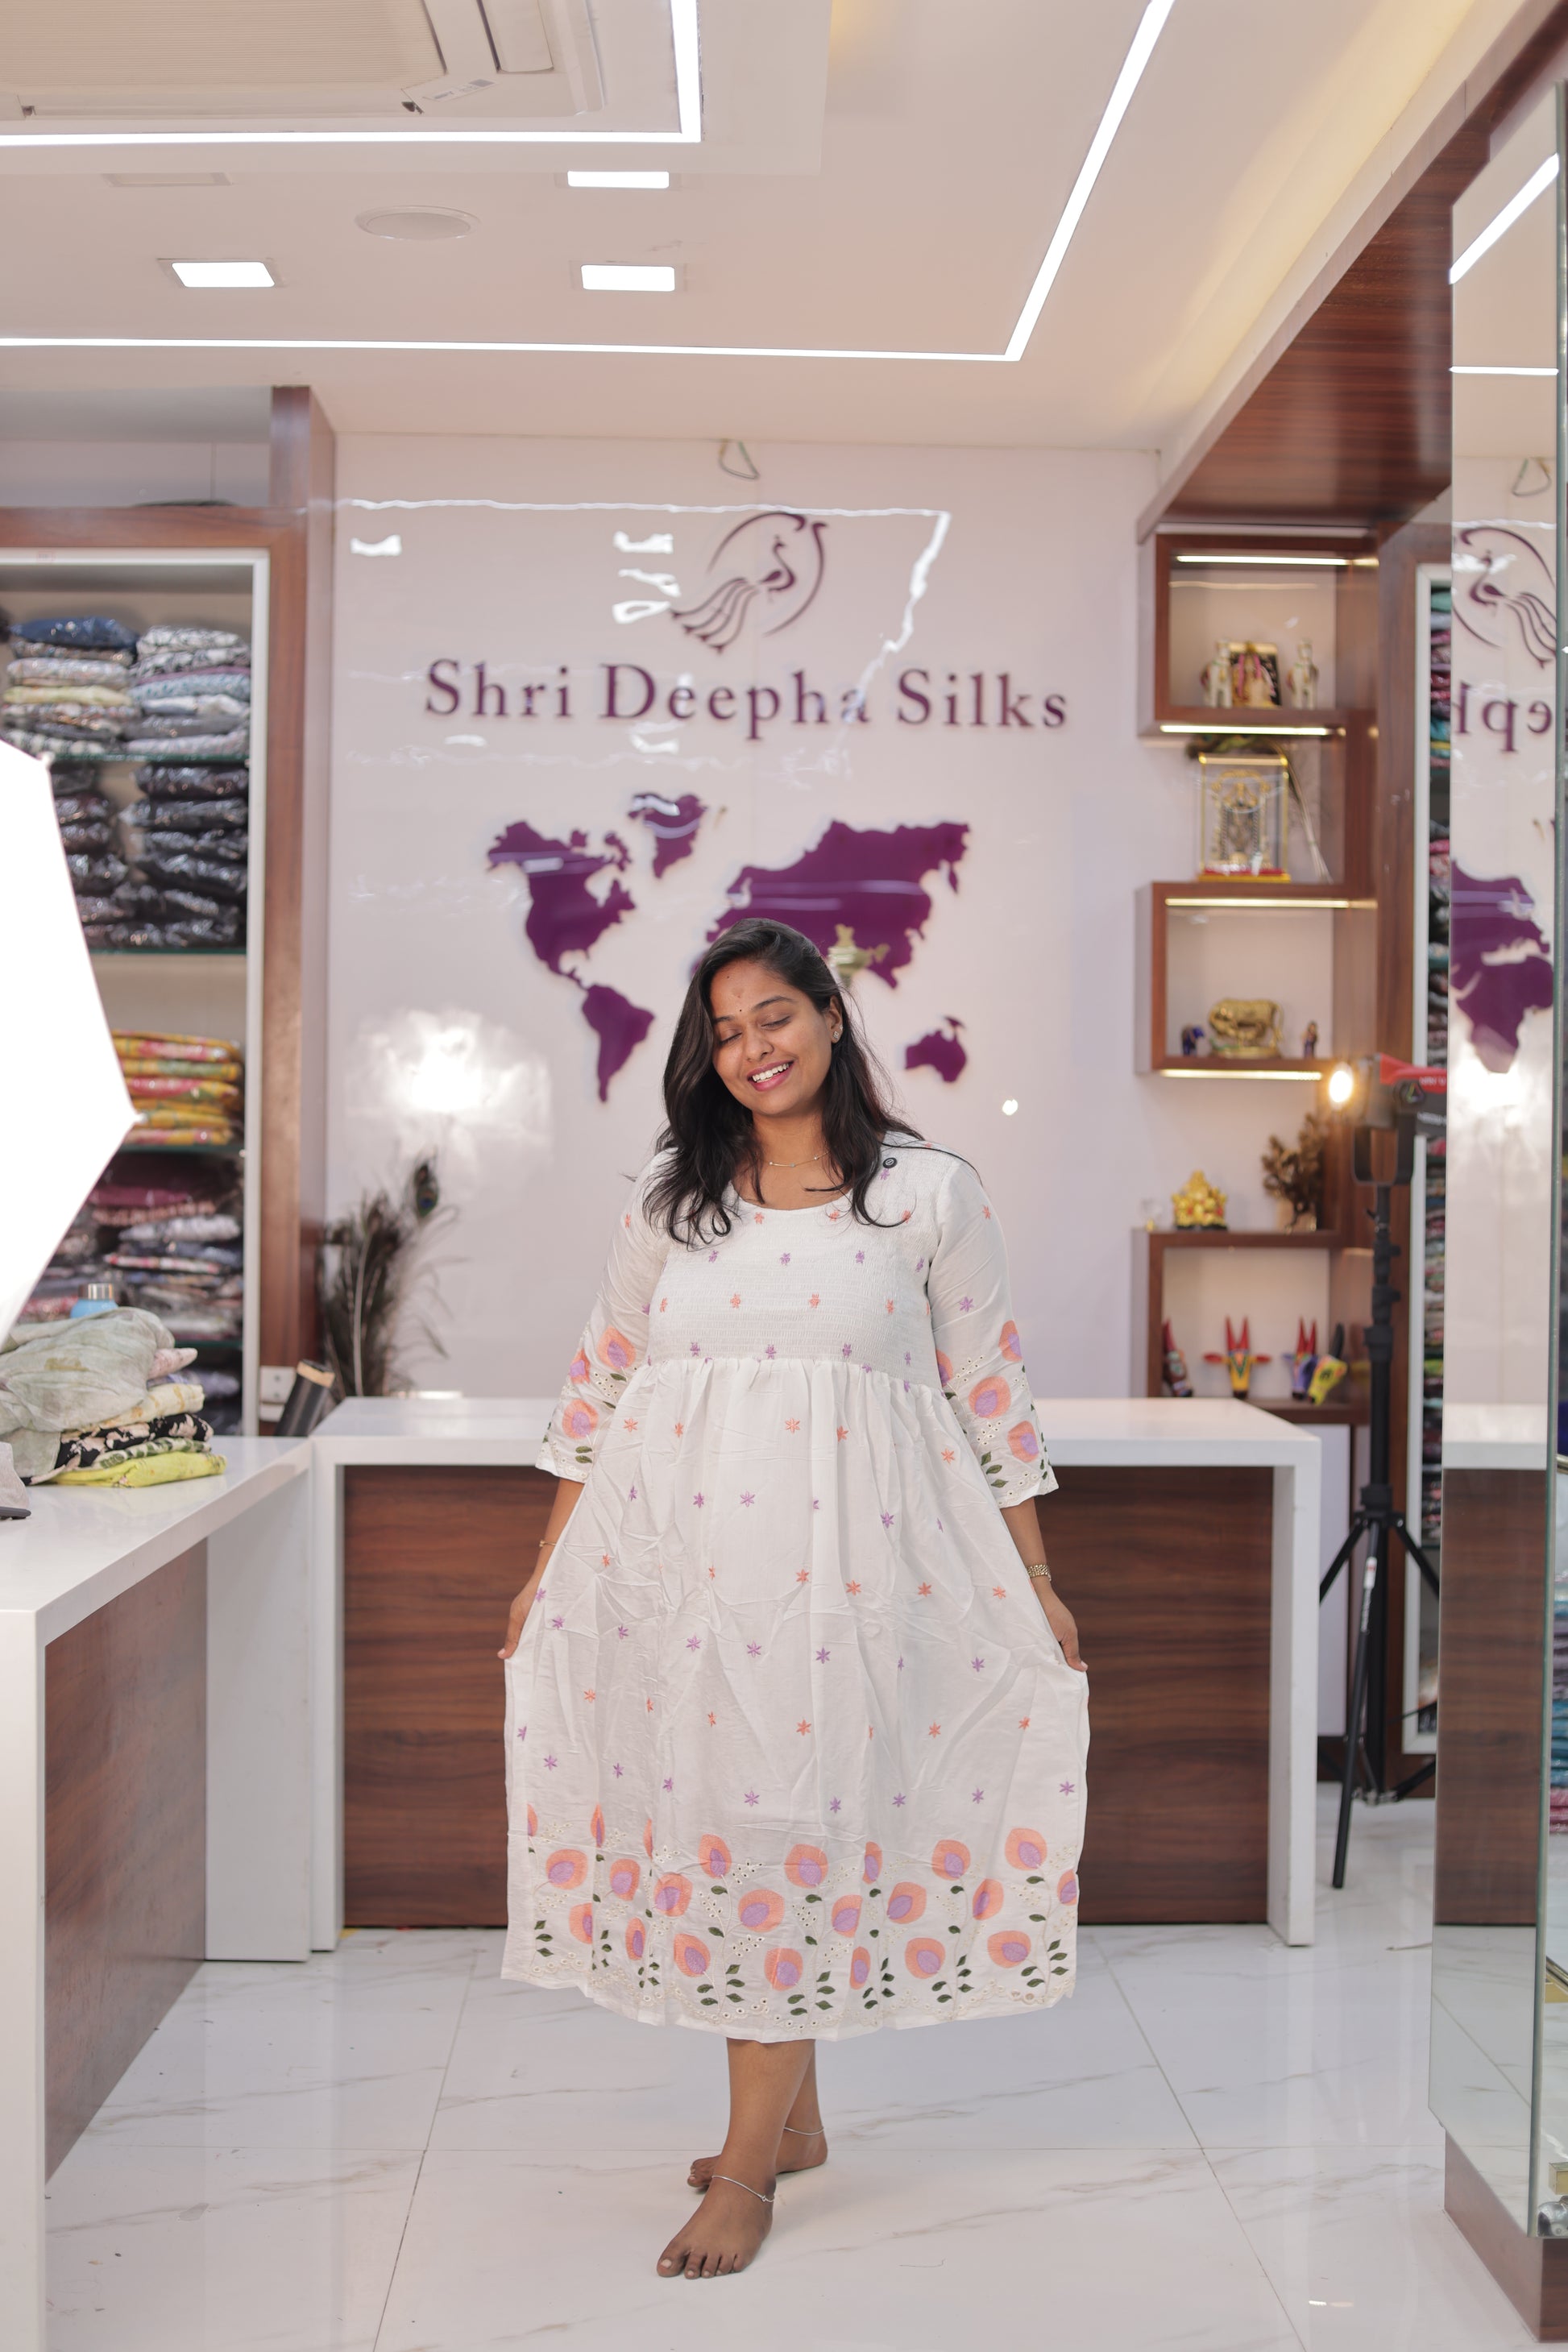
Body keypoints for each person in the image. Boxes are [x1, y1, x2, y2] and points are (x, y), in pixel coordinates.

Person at [499, 916, 1089, 2280]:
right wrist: (544, 1569)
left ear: (828, 1016)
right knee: (733, 1821)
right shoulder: (673, 1202)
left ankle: (748, 2167)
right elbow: (599, 1389)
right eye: (724, 1032)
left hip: (853, 1589)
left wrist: (1035, 1581)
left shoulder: (927, 1194)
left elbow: (989, 1391)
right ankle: (795, 2121)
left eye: (773, 1015)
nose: (751, 1048)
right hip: (685, 1583)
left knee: (791, 1822)